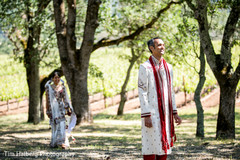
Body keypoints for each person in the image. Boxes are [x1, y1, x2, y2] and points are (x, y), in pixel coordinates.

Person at [138, 37, 182, 160]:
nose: (162, 47)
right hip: (151, 113)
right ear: (151, 48)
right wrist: (146, 115)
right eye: (159, 45)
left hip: (166, 114)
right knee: (150, 143)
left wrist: (175, 113)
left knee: (164, 142)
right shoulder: (145, 67)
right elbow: (142, 92)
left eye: (163, 45)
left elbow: (171, 91)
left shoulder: (168, 67)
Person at [45, 72, 76, 149]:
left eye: (58, 77)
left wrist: (67, 108)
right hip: (53, 110)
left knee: (62, 125)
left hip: (61, 108)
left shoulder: (62, 87)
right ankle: (54, 142)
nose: (57, 79)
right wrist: (47, 110)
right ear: (52, 79)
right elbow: (47, 100)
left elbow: (65, 98)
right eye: (55, 77)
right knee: (55, 125)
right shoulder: (49, 88)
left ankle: (62, 143)